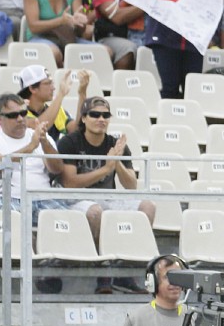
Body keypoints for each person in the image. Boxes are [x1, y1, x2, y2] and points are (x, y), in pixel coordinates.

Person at [56, 97, 156, 274]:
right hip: (75, 198)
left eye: (105, 115)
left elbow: (131, 185)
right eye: (94, 115)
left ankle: (130, 263)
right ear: (84, 118)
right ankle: (99, 263)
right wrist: (105, 169)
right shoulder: (69, 142)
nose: (101, 119)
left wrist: (116, 162)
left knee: (147, 206)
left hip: (108, 198)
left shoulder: (115, 145)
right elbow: (69, 183)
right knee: (95, 212)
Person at [0, 91, 66, 215]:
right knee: (14, 222)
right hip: (5, 198)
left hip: (43, 198)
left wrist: (45, 142)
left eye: (23, 113)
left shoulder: (39, 135)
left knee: (67, 223)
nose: (20, 119)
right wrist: (30, 148)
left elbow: (57, 169)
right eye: (13, 115)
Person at [17, 64, 78, 136]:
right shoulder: (19, 113)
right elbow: (37, 127)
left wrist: (82, 94)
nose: (53, 88)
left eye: (52, 83)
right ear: (32, 89)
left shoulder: (57, 109)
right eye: (48, 83)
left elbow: (75, 130)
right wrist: (60, 94)